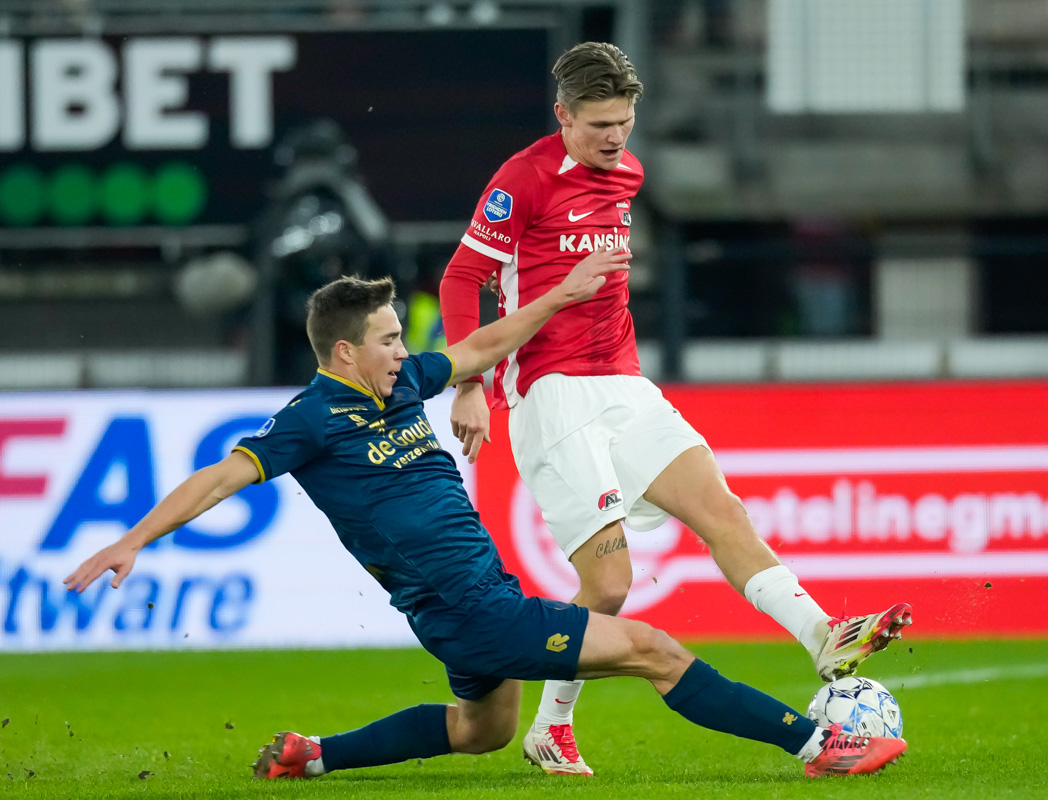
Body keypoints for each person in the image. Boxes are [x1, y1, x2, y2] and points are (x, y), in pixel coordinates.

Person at [63, 254, 907, 781]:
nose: (404, 351)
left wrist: (560, 297)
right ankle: (820, 745)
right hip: (472, 610)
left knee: (482, 729)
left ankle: (312, 755)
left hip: (462, 606)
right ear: (345, 352)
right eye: (389, 340)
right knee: (655, 649)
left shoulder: (400, 385)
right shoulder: (310, 421)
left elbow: (479, 349)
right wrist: (132, 541)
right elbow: (220, 478)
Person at [439, 41, 913, 775]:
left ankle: (823, 635)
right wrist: (469, 382)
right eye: (599, 124)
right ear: (563, 115)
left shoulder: (628, 174)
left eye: (624, 121)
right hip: (551, 392)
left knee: (723, 511)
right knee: (610, 586)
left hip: (626, 383)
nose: (615, 138)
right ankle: (552, 725)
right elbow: (461, 276)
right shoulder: (522, 179)